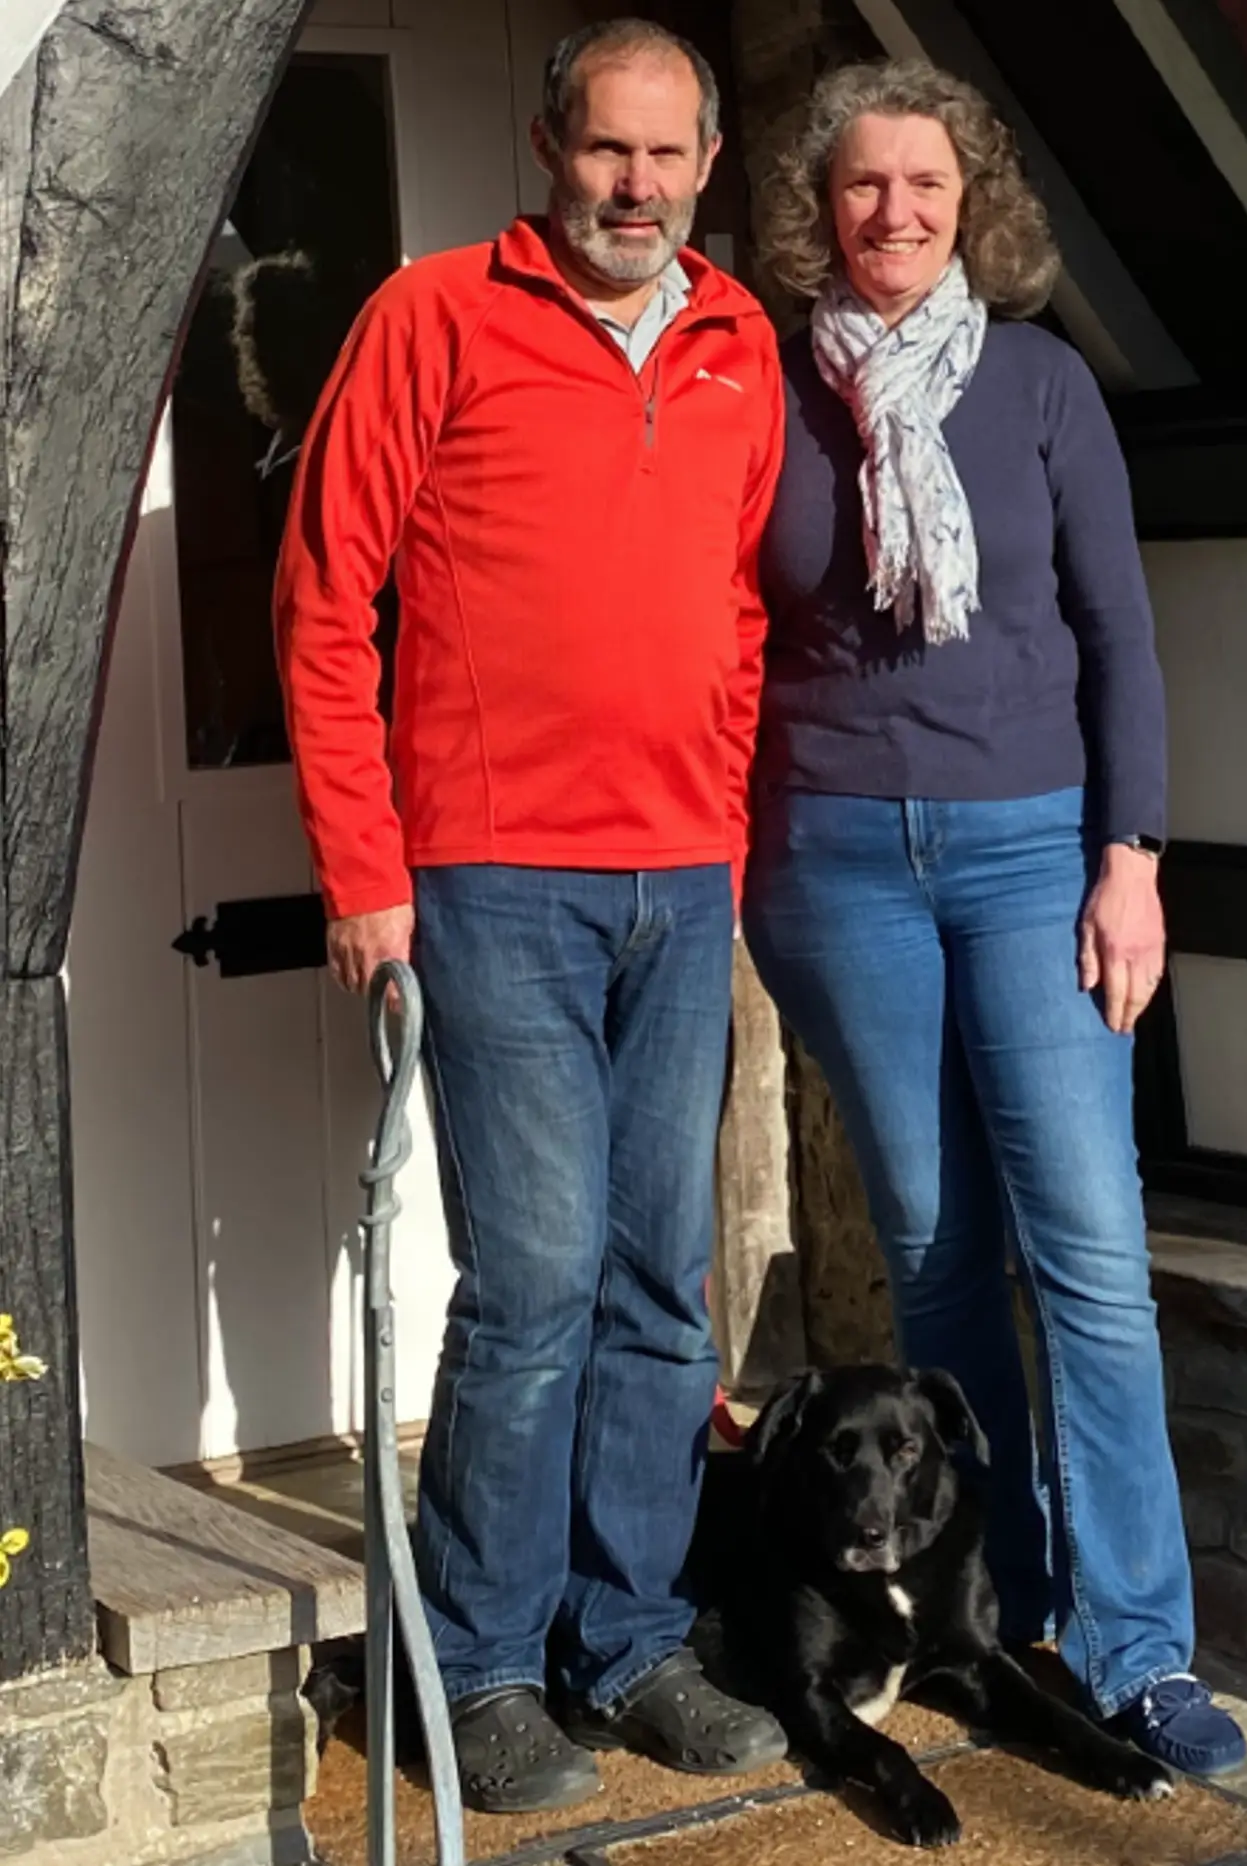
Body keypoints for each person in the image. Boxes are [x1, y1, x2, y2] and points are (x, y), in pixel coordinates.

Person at [274, 18, 788, 1814]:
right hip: (493, 881)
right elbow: (327, 603)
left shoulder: (741, 344)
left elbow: (736, 613)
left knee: (664, 1283)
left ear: (705, 164)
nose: (633, 187)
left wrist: (718, 820)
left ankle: (627, 1633)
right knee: (537, 1282)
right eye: (604, 152)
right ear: (549, 148)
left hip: (679, 876)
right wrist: (364, 868)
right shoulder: (432, 316)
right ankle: (475, 1666)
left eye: (664, 156)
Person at [741, 59, 1247, 1778]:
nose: (894, 213)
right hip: (834, 861)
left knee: (1090, 1259)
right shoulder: (765, 393)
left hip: (1039, 853)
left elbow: (1122, 632)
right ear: (820, 211)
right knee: (943, 1255)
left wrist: (1134, 852)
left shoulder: (1038, 387)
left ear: (976, 209)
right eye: (863, 187)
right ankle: (993, 1608)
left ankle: (1138, 1644)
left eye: (927, 188)